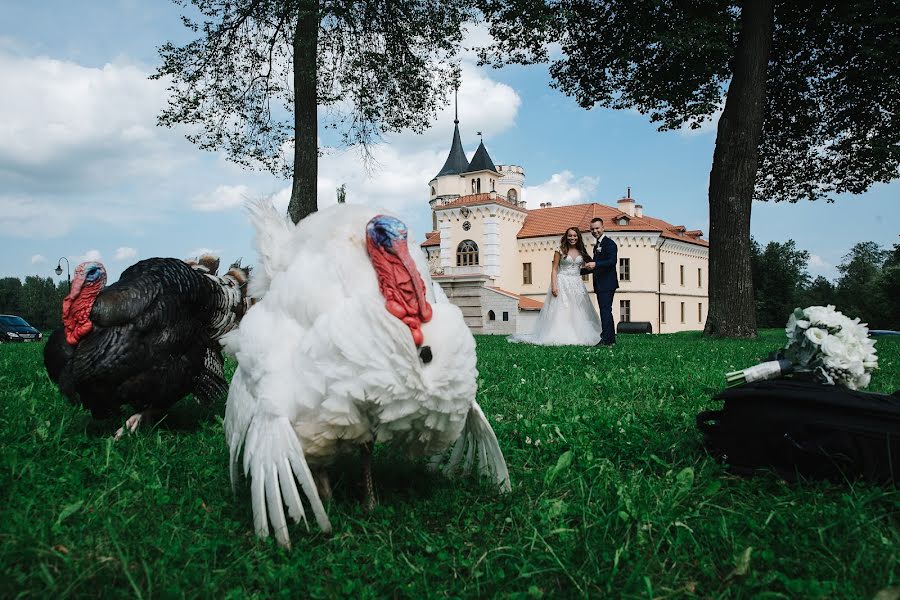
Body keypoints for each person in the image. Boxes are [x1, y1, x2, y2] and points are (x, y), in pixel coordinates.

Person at [509, 227, 604, 346]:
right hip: (562, 282)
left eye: (575, 236)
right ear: (566, 237)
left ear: (578, 237)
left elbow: (587, 266)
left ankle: (579, 334)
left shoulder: (582, 251)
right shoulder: (560, 250)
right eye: (570, 235)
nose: (572, 238)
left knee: (579, 309)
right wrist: (554, 285)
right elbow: (554, 269)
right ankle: (561, 335)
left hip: (577, 283)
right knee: (563, 309)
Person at [582, 217, 618, 346]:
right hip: (600, 284)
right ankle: (610, 339)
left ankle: (607, 340)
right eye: (592, 229)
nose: (595, 231)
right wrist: (579, 272)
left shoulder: (610, 244)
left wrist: (595, 264)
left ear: (603, 228)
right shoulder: (597, 245)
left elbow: (611, 262)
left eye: (597, 228)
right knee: (605, 310)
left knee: (605, 310)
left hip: (607, 284)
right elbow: (594, 266)